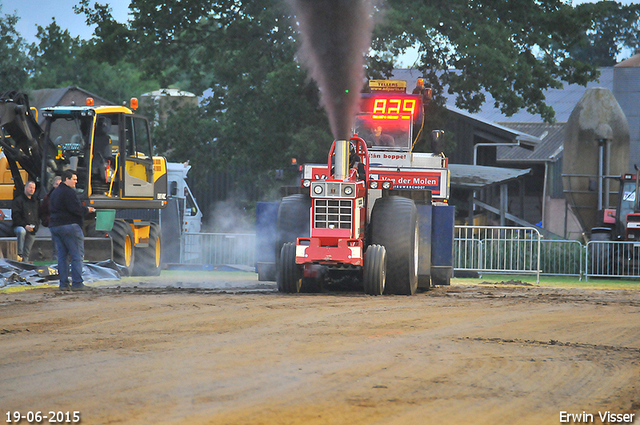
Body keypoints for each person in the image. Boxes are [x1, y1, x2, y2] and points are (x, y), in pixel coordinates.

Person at [49, 170, 95, 291]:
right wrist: (87, 210)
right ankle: (77, 283)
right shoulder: (68, 192)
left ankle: (63, 284)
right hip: (69, 226)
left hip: (55, 227)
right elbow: (75, 209)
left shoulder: (55, 192)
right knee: (76, 256)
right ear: (66, 179)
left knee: (62, 257)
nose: (76, 182)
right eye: (74, 179)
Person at [12, 181, 39, 262]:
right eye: (30, 187)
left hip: (32, 228)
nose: (32, 190)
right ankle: (19, 253)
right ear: (25, 188)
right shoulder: (18, 200)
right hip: (20, 226)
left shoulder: (36, 202)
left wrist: (35, 227)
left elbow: (37, 216)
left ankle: (25, 263)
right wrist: (25, 225)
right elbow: (15, 216)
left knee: (27, 252)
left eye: (34, 188)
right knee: (21, 231)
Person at [39, 175, 62, 260]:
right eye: (56, 184)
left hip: (64, 222)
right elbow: (43, 210)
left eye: (59, 184)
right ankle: (56, 260)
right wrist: (47, 220)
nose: (57, 186)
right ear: (53, 185)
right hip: (53, 222)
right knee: (56, 242)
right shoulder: (48, 197)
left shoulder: (65, 195)